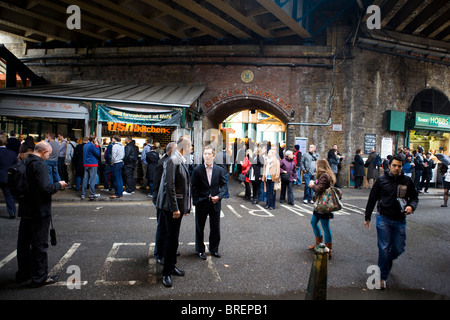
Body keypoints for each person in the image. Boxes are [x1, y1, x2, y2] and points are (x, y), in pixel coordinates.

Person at [15, 141, 68, 287]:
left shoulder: (24, 162)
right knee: (40, 245)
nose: (48, 156)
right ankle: (40, 277)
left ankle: (23, 273)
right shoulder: (40, 165)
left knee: (23, 244)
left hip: (25, 209)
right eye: (49, 154)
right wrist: (59, 185)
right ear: (44, 152)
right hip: (39, 210)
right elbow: (46, 188)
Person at [364, 155, 419, 290]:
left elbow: (414, 197)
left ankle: (385, 264)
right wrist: (367, 217)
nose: (396, 168)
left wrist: (411, 206)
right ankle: (382, 277)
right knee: (383, 248)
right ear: (389, 166)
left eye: (399, 166)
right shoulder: (382, 180)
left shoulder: (407, 181)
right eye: (394, 165)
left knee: (398, 249)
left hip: (400, 220)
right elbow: (372, 199)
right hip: (384, 218)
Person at [156, 136, 191, 288]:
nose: (192, 148)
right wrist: (175, 208)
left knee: (174, 238)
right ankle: (166, 273)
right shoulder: (173, 160)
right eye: (190, 145)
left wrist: (186, 207)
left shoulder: (179, 159)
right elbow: (169, 186)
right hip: (170, 207)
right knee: (171, 239)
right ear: (184, 146)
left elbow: (183, 185)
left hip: (177, 206)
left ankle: (171, 266)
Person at [192, 145, 227, 260]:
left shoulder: (220, 170)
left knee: (215, 228)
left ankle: (214, 249)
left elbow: (223, 186)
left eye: (209, 154)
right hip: (201, 203)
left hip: (215, 203)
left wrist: (219, 196)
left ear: (213, 155)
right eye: (205, 154)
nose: (207, 156)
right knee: (199, 228)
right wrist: (196, 201)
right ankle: (200, 250)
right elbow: (194, 187)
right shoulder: (197, 170)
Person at [152, 142, 177, 265]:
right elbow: (157, 183)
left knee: (168, 228)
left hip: (167, 200)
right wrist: (157, 199)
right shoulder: (163, 163)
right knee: (162, 228)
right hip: (162, 200)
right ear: (171, 151)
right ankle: (159, 254)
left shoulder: (171, 162)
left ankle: (167, 250)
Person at [307, 159, 336, 257]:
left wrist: (312, 185)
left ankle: (328, 249)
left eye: (316, 165)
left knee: (325, 227)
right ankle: (318, 243)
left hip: (323, 205)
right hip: (320, 204)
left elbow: (319, 189)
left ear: (320, 166)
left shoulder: (325, 175)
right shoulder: (325, 175)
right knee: (313, 222)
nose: (315, 166)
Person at [0, 135, 18, 219]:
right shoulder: (12, 153)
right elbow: (15, 166)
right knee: (9, 195)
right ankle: (12, 212)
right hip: (7, 177)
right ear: (6, 143)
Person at [81, 135, 100, 200]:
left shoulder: (85, 145)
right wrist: (97, 146)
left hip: (86, 164)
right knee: (92, 179)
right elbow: (98, 153)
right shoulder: (92, 146)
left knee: (85, 179)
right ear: (94, 140)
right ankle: (92, 193)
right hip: (93, 164)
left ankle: (83, 194)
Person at [109, 135, 124, 199]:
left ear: (114, 139)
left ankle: (117, 193)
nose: (112, 140)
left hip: (116, 163)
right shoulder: (122, 146)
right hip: (121, 162)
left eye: (112, 138)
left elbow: (113, 156)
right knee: (120, 178)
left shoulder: (115, 146)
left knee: (116, 178)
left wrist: (112, 163)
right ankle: (120, 192)